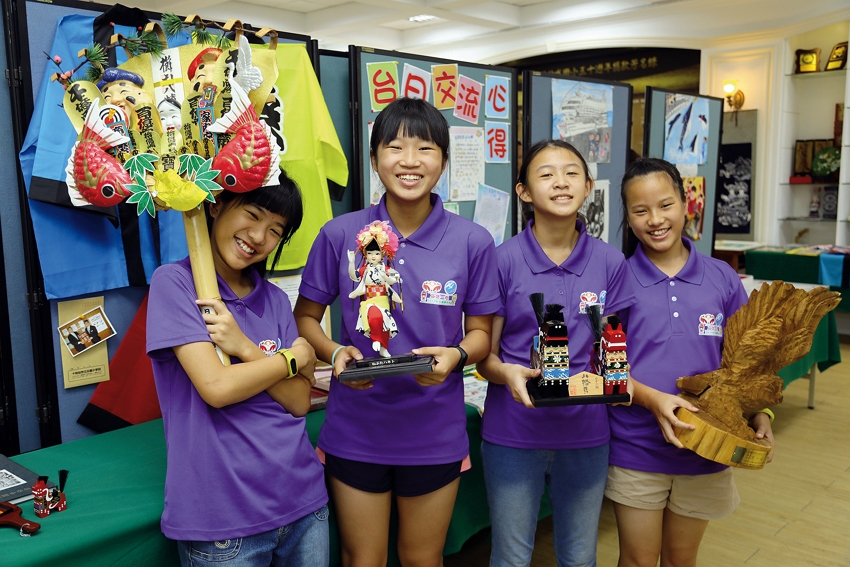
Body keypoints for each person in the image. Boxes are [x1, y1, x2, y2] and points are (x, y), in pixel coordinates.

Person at [293, 97, 499, 567]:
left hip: (435, 429)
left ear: (443, 162)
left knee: (422, 558)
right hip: (356, 427)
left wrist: (456, 356)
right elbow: (305, 318)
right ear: (374, 159)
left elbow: (482, 332)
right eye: (395, 147)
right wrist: (335, 351)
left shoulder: (472, 241)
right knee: (362, 559)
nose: (409, 161)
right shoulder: (340, 234)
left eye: (425, 148)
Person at [146, 170, 330, 567]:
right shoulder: (175, 284)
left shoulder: (278, 300)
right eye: (252, 214)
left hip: (304, 502)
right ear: (216, 205)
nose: (260, 236)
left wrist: (244, 348)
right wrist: (293, 358)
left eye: (276, 230)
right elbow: (217, 388)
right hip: (222, 519)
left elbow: (299, 401)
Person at [607, 157, 775, 567]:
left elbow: (747, 362)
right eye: (640, 210)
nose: (655, 219)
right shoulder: (616, 279)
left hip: (708, 448)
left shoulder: (722, 278)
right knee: (638, 559)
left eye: (665, 205)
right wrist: (652, 401)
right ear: (627, 219)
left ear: (686, 204)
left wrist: (761, 413)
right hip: (636, 448)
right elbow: (608, 371)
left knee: (682, 559)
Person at [476, 139, 636, 567]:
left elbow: (615, 349)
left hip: (585, 433)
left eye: (571, 174)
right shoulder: (502, 260)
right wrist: (508, 374)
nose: (560, 182)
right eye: (546, 174)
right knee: (510, 557)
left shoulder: (610, 262)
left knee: (579, 557)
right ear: (524, 192)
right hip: (514, 433)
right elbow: (485, 357)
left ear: (587, 187)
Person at [347, 220, 403, 358]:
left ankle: (383, 347)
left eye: (377, 253)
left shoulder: (385, 268)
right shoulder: (365, 269)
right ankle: (376, 340)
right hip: (370, 300)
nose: (373, 256)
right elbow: (354, 276)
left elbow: (394, 277)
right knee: (374, 316)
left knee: (384, 323)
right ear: (365, 254)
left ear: (382, 255)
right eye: (370, 253)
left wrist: (392, 276)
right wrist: (351, 262)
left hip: (383, 299)